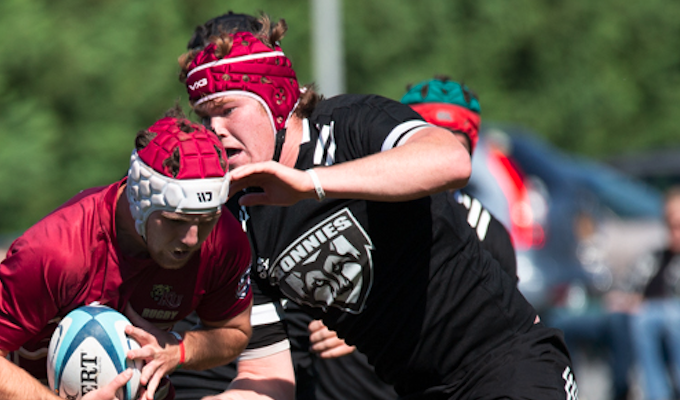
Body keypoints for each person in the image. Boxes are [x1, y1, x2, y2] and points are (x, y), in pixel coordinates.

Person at [177, 11, 578, 400]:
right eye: (204, 117)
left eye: (227, 110)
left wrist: (310, 184)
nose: (215, 131)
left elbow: (450, 160)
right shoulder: (240, 220)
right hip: (418, 390)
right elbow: (267, 376)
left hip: (508, 362)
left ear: (274, 99)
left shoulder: (350, 122)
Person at [0, 107, 256, 400]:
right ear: (140, 198)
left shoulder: (223, 240)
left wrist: (179, 350)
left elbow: (234, 331)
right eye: (176, 221)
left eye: (206, 219)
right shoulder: (56, 251)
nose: (192, 239)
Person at [625, 186, 680, 400]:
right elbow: (630, 288)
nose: (674, 231)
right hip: (649, 316)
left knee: (670, 316)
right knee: (644, 318)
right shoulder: (655, 259)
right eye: (671, 224)